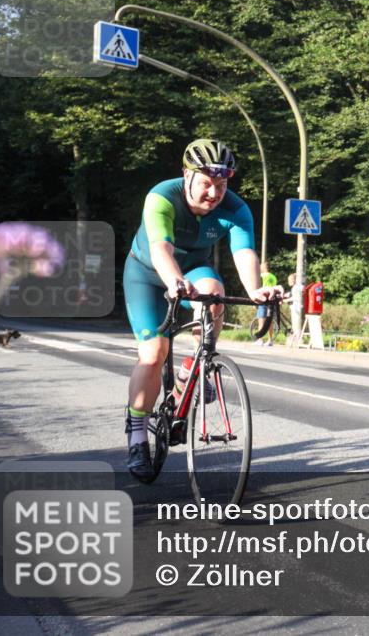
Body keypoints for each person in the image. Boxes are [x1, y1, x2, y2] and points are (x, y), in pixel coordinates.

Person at [122, 138, 283, 482]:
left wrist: (256, 290)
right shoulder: (162, 197)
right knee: (153, 354)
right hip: (148, 275)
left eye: (222, 184)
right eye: (207, 183)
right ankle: (137, 435)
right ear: (186, 175)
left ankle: (196, 366)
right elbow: (161, 249)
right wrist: (174, 281)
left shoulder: (236, 209)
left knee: (214, 290)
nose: (214, 192)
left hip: (195, 270)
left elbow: (244, 253)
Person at [253, 263, 278, 346]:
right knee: (269, 321)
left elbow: (259, 287)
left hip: (263, 299)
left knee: (261, 320)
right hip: (272, 299)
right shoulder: (273, 277)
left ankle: (260, 339)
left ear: (263, 268)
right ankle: (270, 340)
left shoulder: (262, 276)